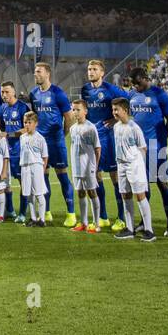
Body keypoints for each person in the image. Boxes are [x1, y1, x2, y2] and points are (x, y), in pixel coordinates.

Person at [128, 66, 168, 236]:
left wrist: (162, 139)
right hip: (139, 150)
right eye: (133, 84)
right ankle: (144, 222)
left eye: (138, 83)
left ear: (145, 78)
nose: (136, 87)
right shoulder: (132, 96)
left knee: (162, 184)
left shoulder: (160, 94)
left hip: (157, 148)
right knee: (143, 185)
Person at [29, 62, 76, 228]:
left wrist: (63, 134)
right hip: (40, 143)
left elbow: (69, 117)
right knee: (43, 176)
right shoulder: (33, 93)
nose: (35, 74)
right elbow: (35, 115)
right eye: (35, 72)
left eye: (38, 72)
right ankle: (46, 212)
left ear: (47, 74)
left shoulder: (58, 93)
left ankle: (71, 214)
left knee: (62, 175)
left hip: (56, 141)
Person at [81, 59, 126, 231]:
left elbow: (127, 105)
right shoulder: (85, 90)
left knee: (115, 177)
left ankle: (121, 217)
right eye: (89, 69)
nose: (91, 72)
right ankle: (103, 216)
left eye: (94, 69)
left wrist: (114, 121)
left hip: (109, 138)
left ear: (102, 72)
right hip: (92, 139)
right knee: (96, 176)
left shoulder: (111, 89)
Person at [111, 97, 155, 241]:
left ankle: (149, 230)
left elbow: (143, 148)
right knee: (125, 195)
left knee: (140, 195)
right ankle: (129, 229)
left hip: (134, 165)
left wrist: (137, 164)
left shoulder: (134, 127)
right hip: (121, 164)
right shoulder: (116, 127)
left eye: (117, 109)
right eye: (113, 109)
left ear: (125, 110)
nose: (114, 112)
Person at [67, 100, 101, 233]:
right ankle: (83, 222)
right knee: (80, 192)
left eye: (78, 110)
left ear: (85, 111)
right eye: (73, 110)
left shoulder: (91, 128)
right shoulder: (72, 128)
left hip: (88, 166)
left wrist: (96, 167)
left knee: (92, 192)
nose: (75, 112)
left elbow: (97, 149)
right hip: (76, 166)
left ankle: (96, 223)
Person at [0, 81, 29, 223]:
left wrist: (8, 135)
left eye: (7, 92)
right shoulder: (3, 108)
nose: (4, 95)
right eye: (2, 92)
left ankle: (22, 213)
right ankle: (10, 210)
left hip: (20, 150)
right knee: (6, 182)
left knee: (23, 182)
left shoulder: (23, 107)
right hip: (6, 151)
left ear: (14, 92)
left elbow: (27, 129)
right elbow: (2, 128)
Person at [18, 112, 50, 227]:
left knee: (39, 193)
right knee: (29, 194)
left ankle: (42, 219)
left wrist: (42, 169)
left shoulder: (40, 138)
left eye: (29, 122)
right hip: (25, 167)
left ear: (36, 124)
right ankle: (33, 218)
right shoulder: (22, 137)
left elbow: (45, 156)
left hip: (36, 167)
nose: (27, 125)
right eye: (25, 122)